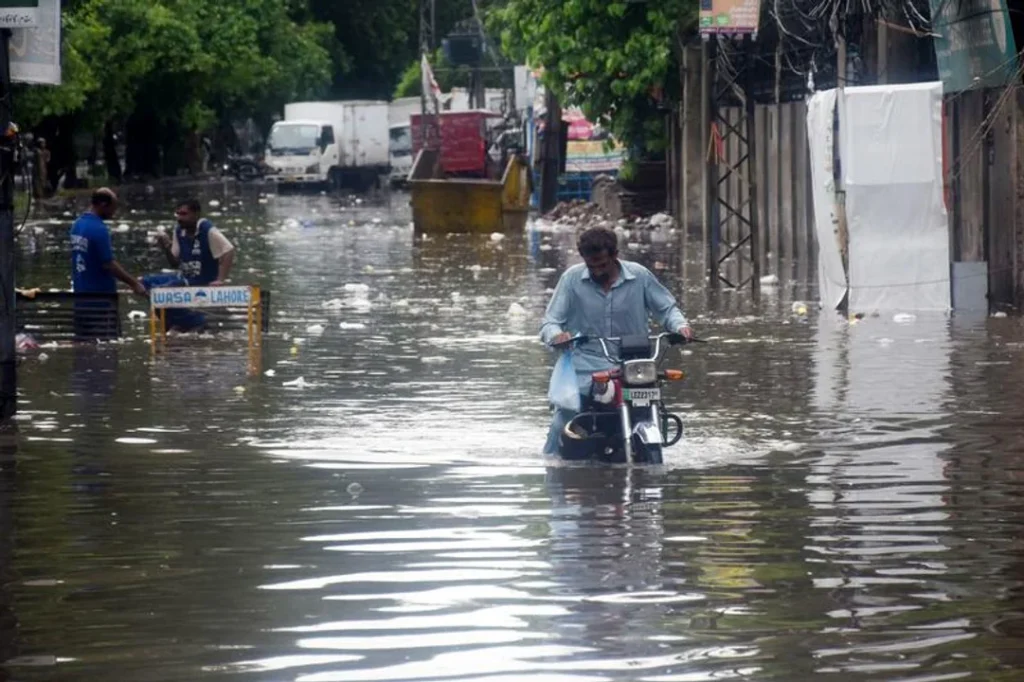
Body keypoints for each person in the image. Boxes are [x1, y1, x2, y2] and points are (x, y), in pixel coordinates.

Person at [539, 226, 695, 455]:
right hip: (586, 366)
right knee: (563, 419)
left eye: (602, 265)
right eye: (591, 266)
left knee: (651, 407)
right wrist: (557, 336)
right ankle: (551, 464)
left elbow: (667, 309)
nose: (597, 271)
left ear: (615, 255)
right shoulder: (571, 279)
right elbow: (550, 322)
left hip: (633, 365)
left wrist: (680, 327)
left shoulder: (640, 276)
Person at [70, 188, 146, 340]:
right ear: (103, 205)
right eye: (113, 207)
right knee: (106, 345)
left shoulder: (77, 225)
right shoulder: (99, 229)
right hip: (101, 301)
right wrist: (134, 283)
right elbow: (108, 264)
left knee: (84, 344)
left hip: (80, 298)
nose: (114, 212)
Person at [155, 199, 235, 285]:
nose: (179, 218)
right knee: (146, 282)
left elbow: (228, 250)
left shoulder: (207, 229)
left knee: (171, 285)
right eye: (178, 214)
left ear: (196, 214)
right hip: (185, 279)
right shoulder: (179, 231)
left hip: (203, 281)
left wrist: (220, 280)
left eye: (184, 214)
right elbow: (174, 264)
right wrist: (166, 247)